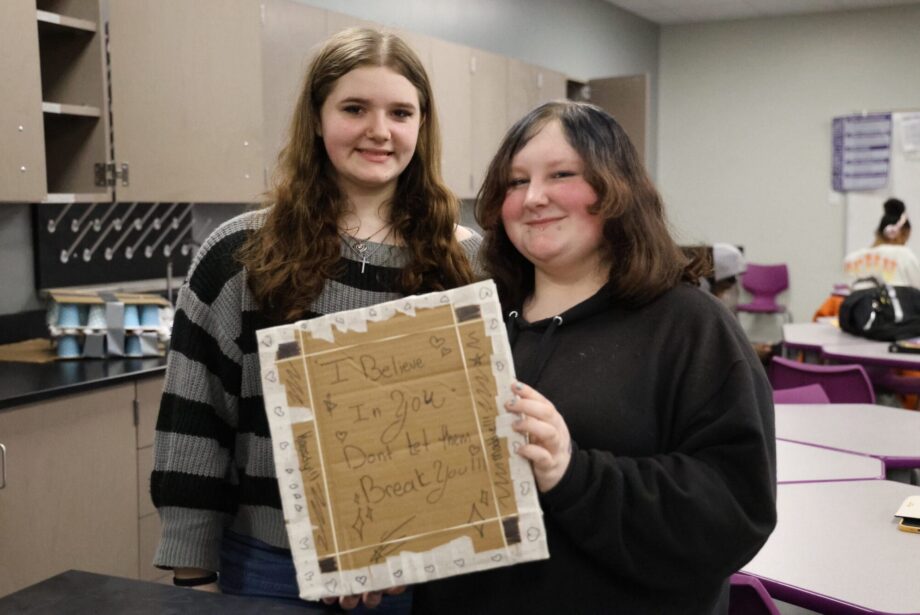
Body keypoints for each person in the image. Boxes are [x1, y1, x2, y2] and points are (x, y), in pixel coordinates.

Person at [150, 27, 480, 612]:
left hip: (434, 576)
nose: (380, 130)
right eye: (355, 108)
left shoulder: (468, 263)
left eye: (401, 112)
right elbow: (195, 426)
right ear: (317, 118)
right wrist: (193, 583)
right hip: (275, 574)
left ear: (421, 126)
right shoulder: (239, 255)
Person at [412, 101, 776, 614]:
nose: (534, 197)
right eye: (516, 182)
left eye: (561, 174)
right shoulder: (471, 320)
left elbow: (736, 512)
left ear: (616, 189)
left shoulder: (690, 327)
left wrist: (573, 472)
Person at [844, 198, 920, 289]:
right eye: (905, 239)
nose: (904, 244)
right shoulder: (904, 255)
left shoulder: (851, 260)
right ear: (898, 233)